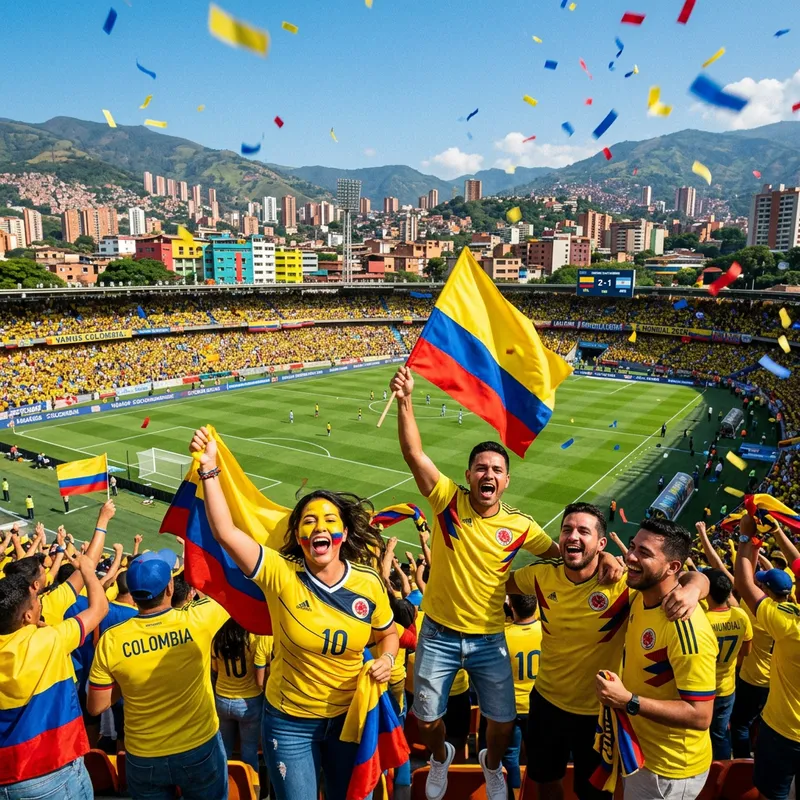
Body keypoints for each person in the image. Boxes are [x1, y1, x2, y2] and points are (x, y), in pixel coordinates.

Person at [391, 366, 592, 800]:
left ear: (506, 479)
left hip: (489, 638)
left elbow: (564, 553)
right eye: (480, 467)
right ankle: (442, 756)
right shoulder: (447, 502)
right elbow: (414, 455)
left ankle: (492, 764)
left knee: (502, 723)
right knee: (425, 720)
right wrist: (406, 400)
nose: (488, 474)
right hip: (438, 633)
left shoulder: (520, 526)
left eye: (497, 469)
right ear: (467, 476)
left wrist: (606, 560)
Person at [189, 427, 398, 800]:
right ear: (298, 534)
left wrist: (388, 657)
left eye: (330, 520)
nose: (320, 526)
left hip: (350, 718)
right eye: (309, 520)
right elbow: (224, 531)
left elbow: (387, 634)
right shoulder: (279, 572)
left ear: (345, 532)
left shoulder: (368, 583)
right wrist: (209, 471)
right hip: (289, 723)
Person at [509, 504, 707, 800]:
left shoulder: (627, 586)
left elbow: (693, 578)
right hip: (547, 703)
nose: (572, 536)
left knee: (593, 792)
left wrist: (693, 586)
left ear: (601, 543)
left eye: (583, 531)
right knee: (545, 780)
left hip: (600, 714)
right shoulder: (539, 575)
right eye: (567, 530)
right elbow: (498, 584)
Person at [88, 550, 230, 800]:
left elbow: (96, 706)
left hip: (144, 755)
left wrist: (132, 680)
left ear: (132, 594)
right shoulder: (198, 619)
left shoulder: (111, 640)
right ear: (170, 587)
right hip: (197, 746)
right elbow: (232, 586)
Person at [596, 518, 717, 800]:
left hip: (669, 770)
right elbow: (697, 578)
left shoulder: (686, 628)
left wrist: (627, 701)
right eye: (632, 546)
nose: (631, 556)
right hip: (640, 751)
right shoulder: (642, 596)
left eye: (645, 553)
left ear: (673, 567)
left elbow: (701, 716)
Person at [0, 554, 108, 796]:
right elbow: (99, 608)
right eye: (36, 600)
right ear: (27, 616)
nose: (40, 603)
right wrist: (89, 572)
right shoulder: (50, 640)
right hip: (50, 771)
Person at [734, 514, 800, 800]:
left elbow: (744, 584)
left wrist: (747, 538)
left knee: (771, 794)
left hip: (785, 730)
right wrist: (776, 532)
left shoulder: (789, 625)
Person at [478, 593, 542, 794]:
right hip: (537, 705)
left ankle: (512, 793)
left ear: (511, 606)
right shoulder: (547, 632)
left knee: (510, 757)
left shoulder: (501, 636)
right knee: (538, 758)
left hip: (509, 706)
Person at [705, 568, 752, 759]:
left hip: (703, 687)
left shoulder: (703, 619)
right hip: (727, 687)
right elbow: (746, 652)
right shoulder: (741, 616)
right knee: (721, 733)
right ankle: (722, 774)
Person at [212, 619, 269, 773]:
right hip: (249, 702)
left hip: (222, 699)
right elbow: (260, 675)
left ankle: (226, 788)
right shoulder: (254, 638)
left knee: (224, 749)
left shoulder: (217, 639)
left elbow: (215, 669)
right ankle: (251, 788)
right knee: (249, 749)